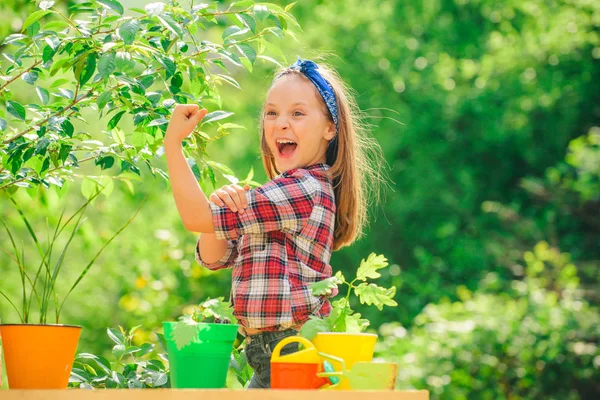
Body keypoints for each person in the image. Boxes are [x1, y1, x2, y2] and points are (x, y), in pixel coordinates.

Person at [164, 58, 384, 388]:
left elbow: (195, 218)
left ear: (330, 128)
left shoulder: (303, 189)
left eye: (297, 113)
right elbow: (214, 257)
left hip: (292, 352)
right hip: (270, 357)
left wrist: (173, 145)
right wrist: (217, 203)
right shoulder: (276, 195)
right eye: (271, 113)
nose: (281, 123)